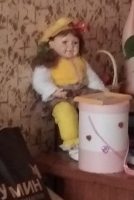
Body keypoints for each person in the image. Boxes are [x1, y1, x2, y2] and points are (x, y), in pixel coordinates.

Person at [30, 17, 107, 160]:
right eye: (64, 42)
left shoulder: (81, 61)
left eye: (75, 43)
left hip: (82, 92)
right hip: (61, 95)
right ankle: (73, 145)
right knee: (65, 112)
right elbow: (39, 80)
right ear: (51, 43)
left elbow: (92, 78)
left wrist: (103, 92)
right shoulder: (48, 62)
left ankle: (98, 140)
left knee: (96, 108)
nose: (70, 47)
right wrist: (53, 90)